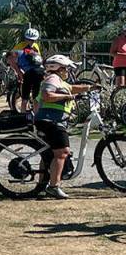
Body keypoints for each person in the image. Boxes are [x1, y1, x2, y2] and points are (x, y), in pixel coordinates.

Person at [35, 55, 93, 199]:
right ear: (59, 69)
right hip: (51, 120)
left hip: (51, 120)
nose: (68, 72)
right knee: (62, 152)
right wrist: (67, 97)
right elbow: (47, 96)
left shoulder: (59, 81)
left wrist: (90, 87)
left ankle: (42, 185)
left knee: (49, 153)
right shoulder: (53, 79)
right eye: (66, 69)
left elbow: (71, 88)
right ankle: (54, 187)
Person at [12, 28, 43, 114]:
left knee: (34, 97)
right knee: (27, 97)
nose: (31, 42)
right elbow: (12, 61)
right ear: (25, 39)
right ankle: (25, 114)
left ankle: (34, 115)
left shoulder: (35, 46)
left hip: (34, 73)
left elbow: (38, 60)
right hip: (28, 72)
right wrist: (19, 72)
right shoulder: (19, 47)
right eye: (29, 39)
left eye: (33, 40)